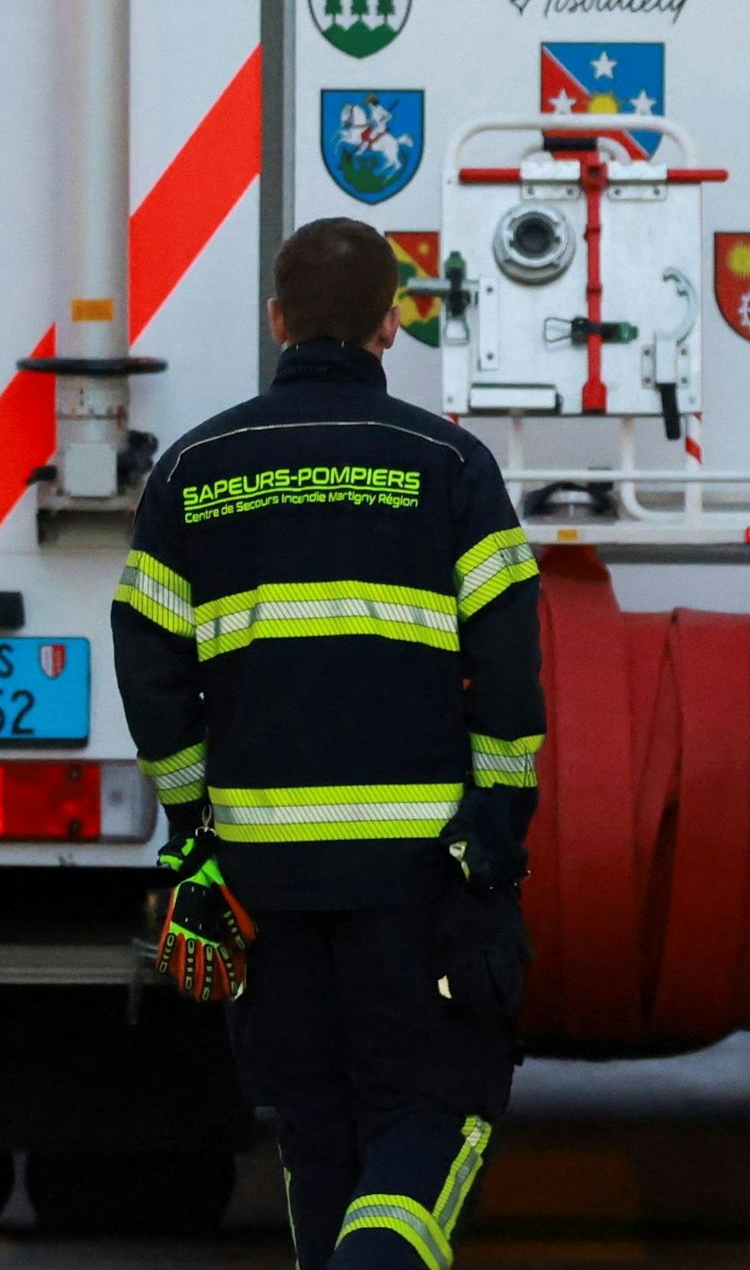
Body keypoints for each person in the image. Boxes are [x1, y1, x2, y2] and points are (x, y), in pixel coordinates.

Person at [113, 217, 546, 1270]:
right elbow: (509, 672)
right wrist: (495, 835)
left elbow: (150, 672)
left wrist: (192, 834)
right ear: (391, 324)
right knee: (434, 1113)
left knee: (316, 1131)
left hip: (264, 880)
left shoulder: (193, 470)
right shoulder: (448, 464)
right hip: (414, 878)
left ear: (278, 320)